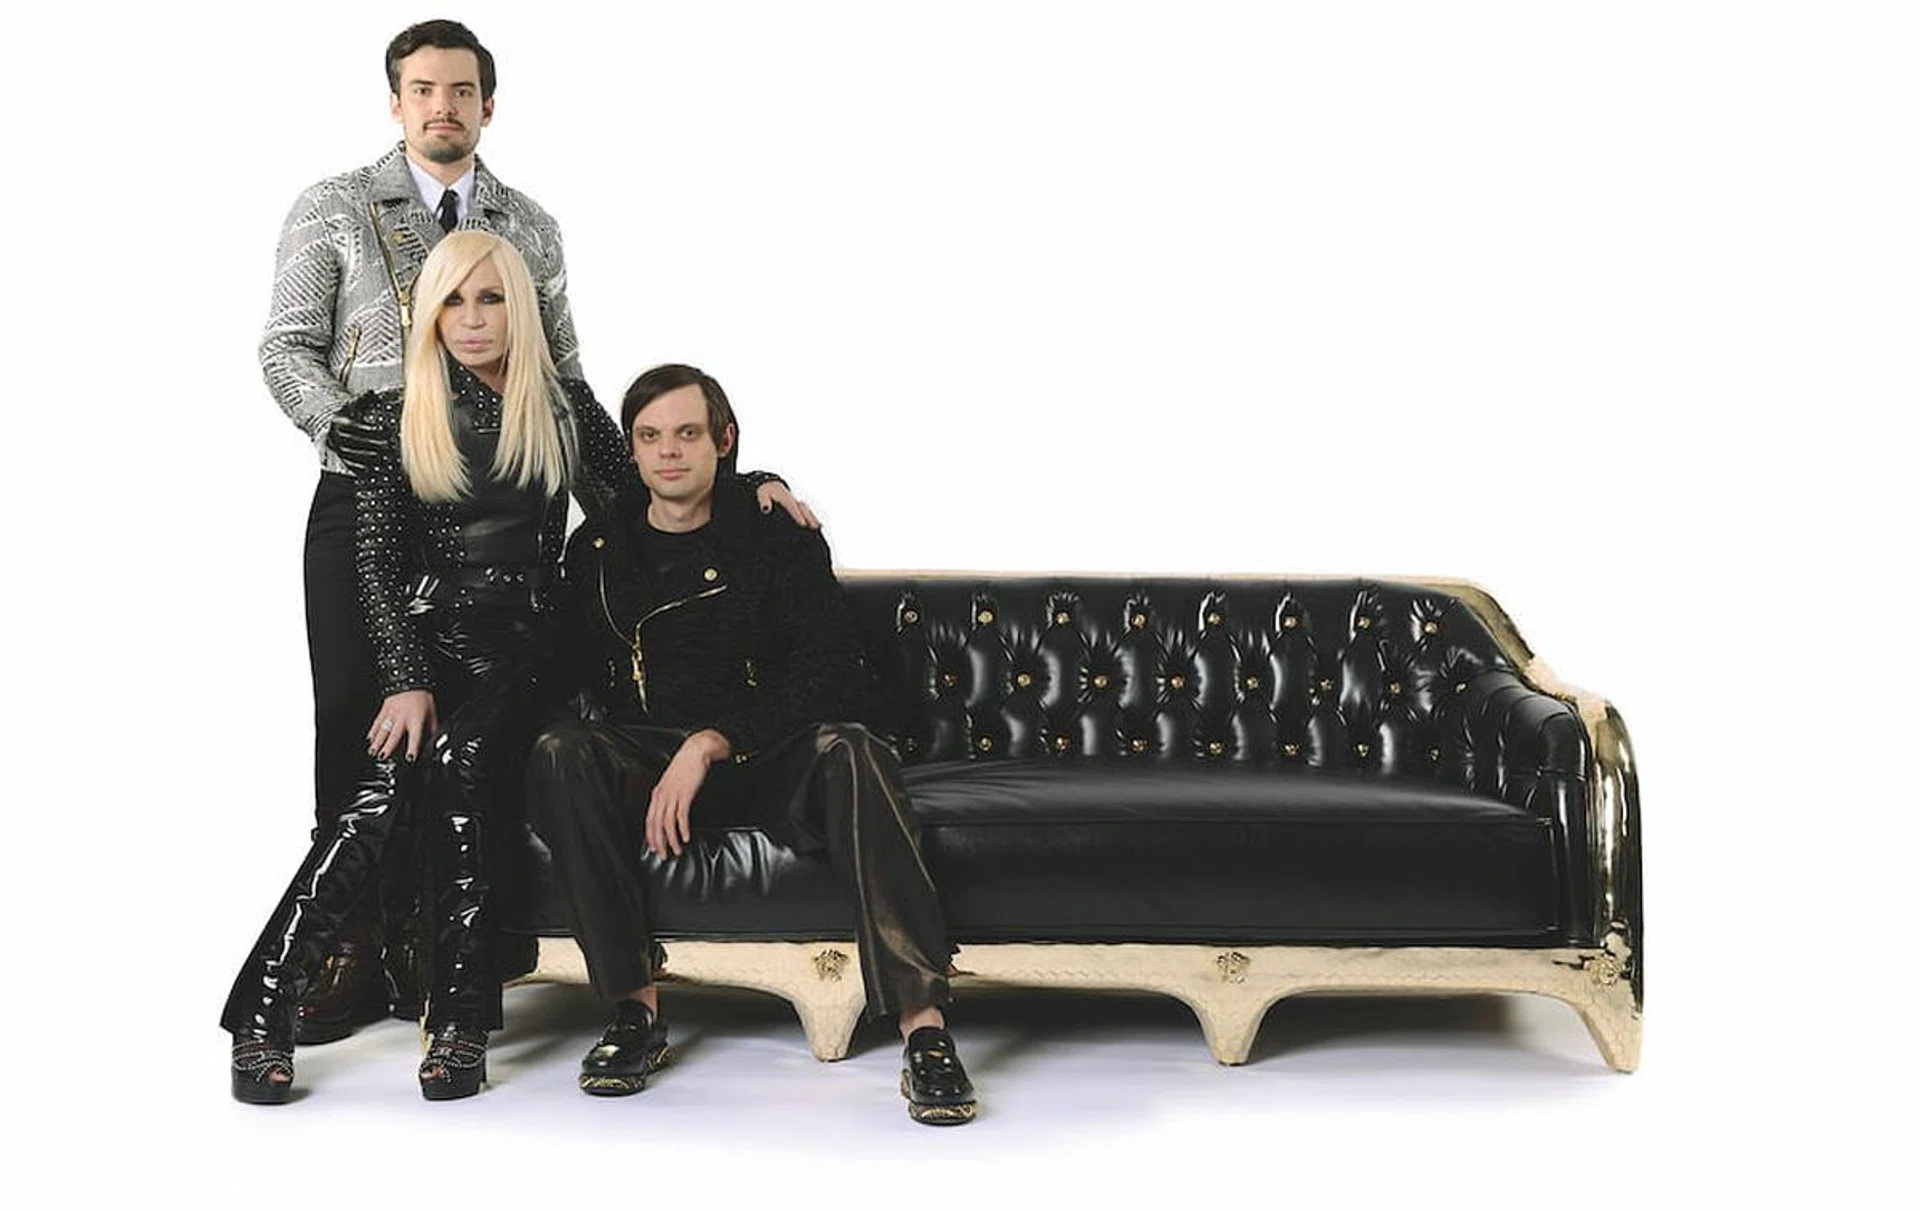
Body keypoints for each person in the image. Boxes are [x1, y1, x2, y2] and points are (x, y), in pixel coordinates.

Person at [258, 19, 809, 1043]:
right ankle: (349, 954)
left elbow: (565, 378)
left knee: (482, 741)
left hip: (504, 513)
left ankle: (436, 945)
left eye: (461, 90)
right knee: (365, 724)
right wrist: (357, 435)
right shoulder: (334, 206)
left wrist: (726, 486)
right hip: (372, 494)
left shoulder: (530, 225)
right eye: (423, 90)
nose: (442, 107)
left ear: (488, 104)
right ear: (395, 102)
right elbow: (286, 348)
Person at [224, 234, 796, 1103]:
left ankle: (458, 1023)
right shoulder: (391, 413)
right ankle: (264, 1011)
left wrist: (755, 482)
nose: (472, 319)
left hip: (536, 646)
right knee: (378, 791)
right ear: (430, 314)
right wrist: (405, 678)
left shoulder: (561, 408)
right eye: (453, 301)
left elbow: (648, 495)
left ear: (519, 307)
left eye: (490, 298)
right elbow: (375, 566)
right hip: (433, 642)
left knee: (466, 757)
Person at [525, 365, 978, 1126]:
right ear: (631, 450)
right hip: (646, 761)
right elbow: (560, 667)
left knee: (852, 748)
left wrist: (714, 741)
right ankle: (634, 1010)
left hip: (763, 754)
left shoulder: (777, 534)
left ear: (724, 440)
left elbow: (832, 674)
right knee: (559, 751)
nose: (669, 452)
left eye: (688, 433)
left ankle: (924, 1028)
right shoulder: (598, 547)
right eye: (650, 437)